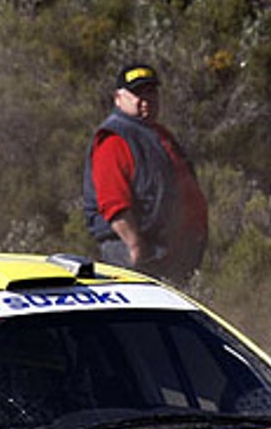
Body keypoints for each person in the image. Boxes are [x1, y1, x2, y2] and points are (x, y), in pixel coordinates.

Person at [82, 60, 208, 280]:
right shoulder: (114, 139)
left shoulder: (159, 135)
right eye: (137, 93)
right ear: (118, 98)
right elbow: (113, 204)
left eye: (151, 92)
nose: (146, 100)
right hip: (135, 251)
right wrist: (135, 246)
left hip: (169, 252)